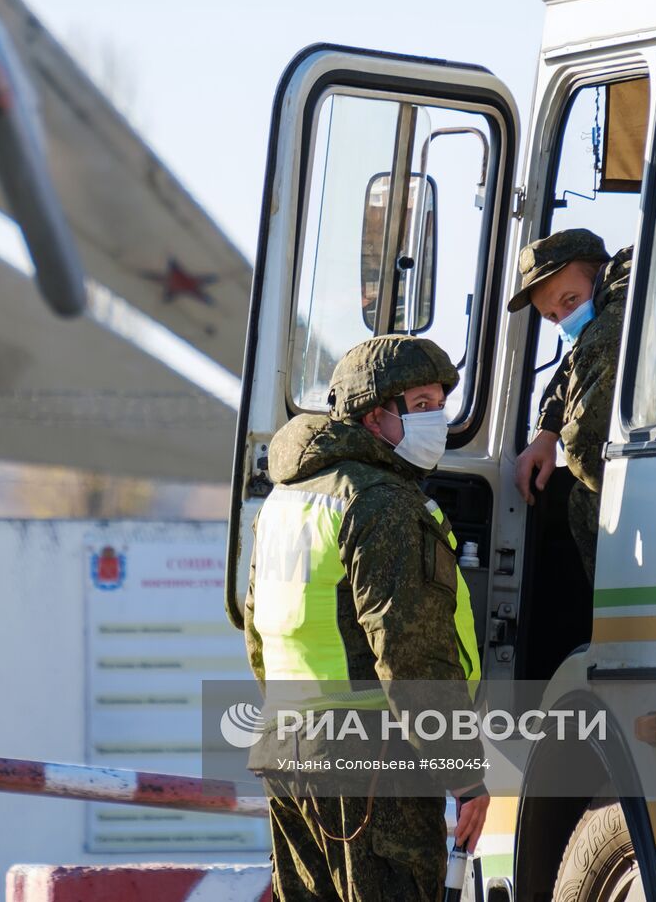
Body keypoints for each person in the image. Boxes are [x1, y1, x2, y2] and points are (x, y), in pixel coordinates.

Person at [244, 334, 489, 901]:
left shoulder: (285, 498)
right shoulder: (382, 503)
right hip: (371, 766)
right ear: (376, 417)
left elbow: (257, 634)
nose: (439, 421)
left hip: (287, 755)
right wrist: (463, 772)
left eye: (440, 405)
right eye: (422, 406)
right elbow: (410, 654)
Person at [507, 228, 632, 582]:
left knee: (584, 501)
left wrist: (567, 445)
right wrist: (546, 433)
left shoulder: (621, 307)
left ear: (601, 273)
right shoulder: (612, 302)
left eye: (571, 300)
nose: (563, 319)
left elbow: (585, 451)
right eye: (551, 316)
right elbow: (574, 362)